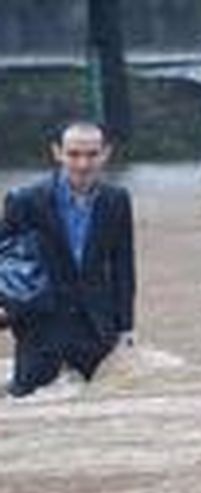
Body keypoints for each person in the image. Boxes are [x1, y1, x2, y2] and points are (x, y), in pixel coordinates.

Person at [1, 121, 136, 398]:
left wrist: (126, 327)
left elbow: (123, 265)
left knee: (95, 410)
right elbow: (5, 256)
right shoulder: (26, 200)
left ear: (105, 153)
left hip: (96, 325)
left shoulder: (116, 200)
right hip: (40, 322)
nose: (83, 164)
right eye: (74, 154)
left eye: (91, 154)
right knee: (27, 400)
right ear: (57, 153)